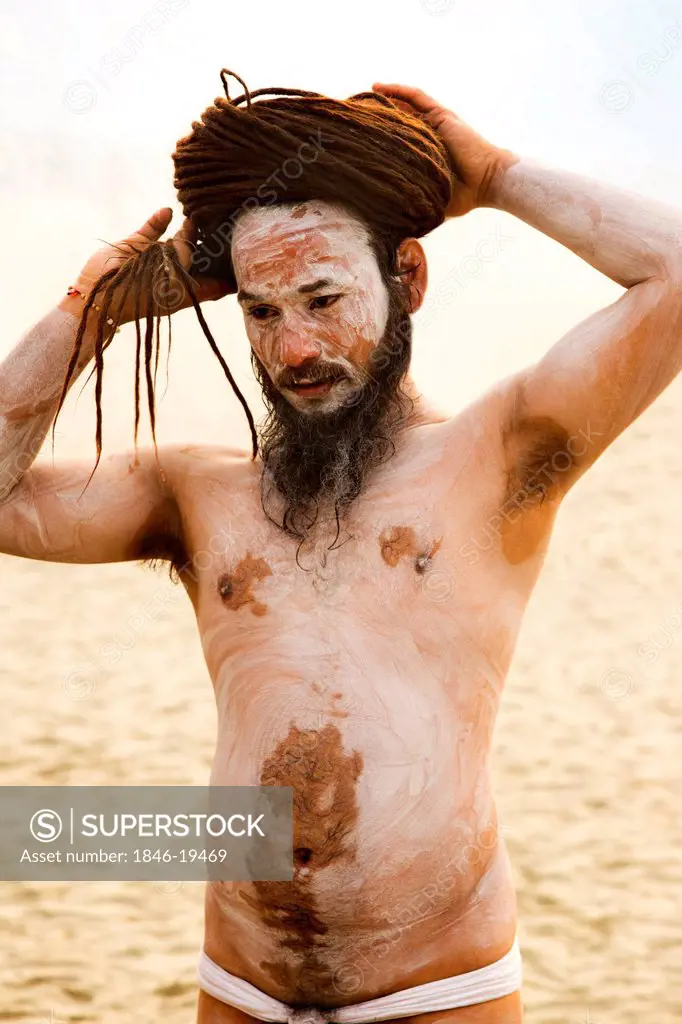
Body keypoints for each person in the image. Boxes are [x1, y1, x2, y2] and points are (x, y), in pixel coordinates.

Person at [2, 71, 682, 1024]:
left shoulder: (497, 458)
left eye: (324, 298)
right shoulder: (197, 493)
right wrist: (92, 309)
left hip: (440, 988)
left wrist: (490, 174)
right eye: (261, 311)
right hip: (238, 987)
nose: (294, 350)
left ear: (406, 277)